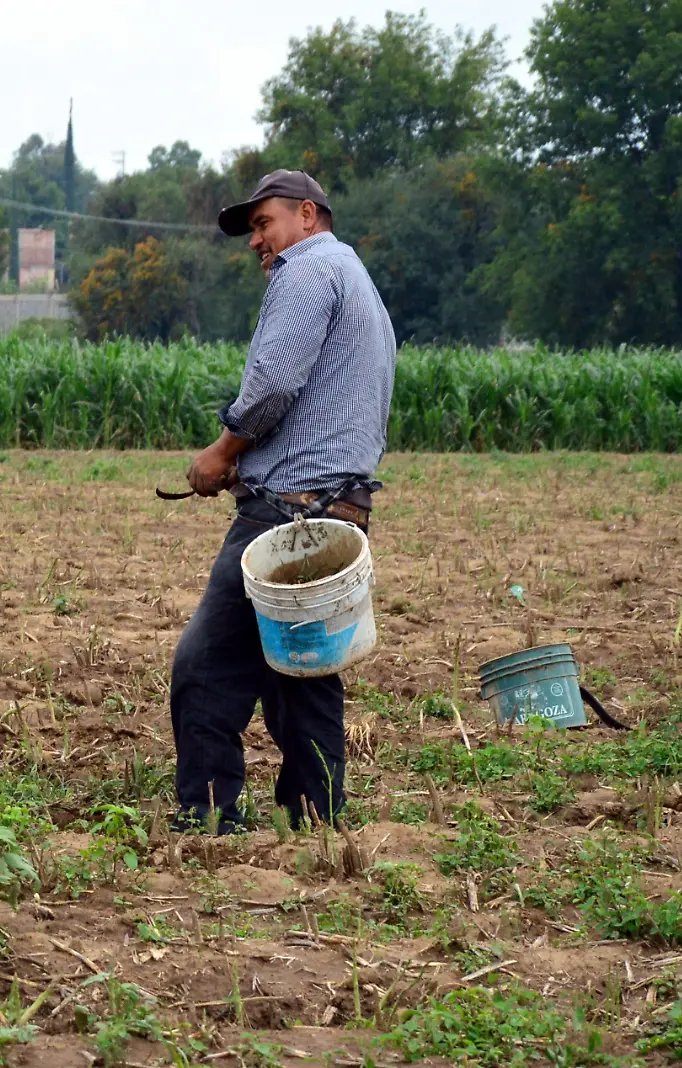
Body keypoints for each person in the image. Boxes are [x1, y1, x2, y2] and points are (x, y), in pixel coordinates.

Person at [170, 170, 396, 833]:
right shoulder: (352, 275)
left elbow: (271, 383)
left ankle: (208, 814)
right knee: (305, 669)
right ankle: (316, 817)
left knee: (206, 664)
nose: (255, 241)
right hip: (340, 509)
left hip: (287, 514)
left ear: (306, 214)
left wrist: (222, 452)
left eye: (263, 223)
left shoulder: (305, 272)